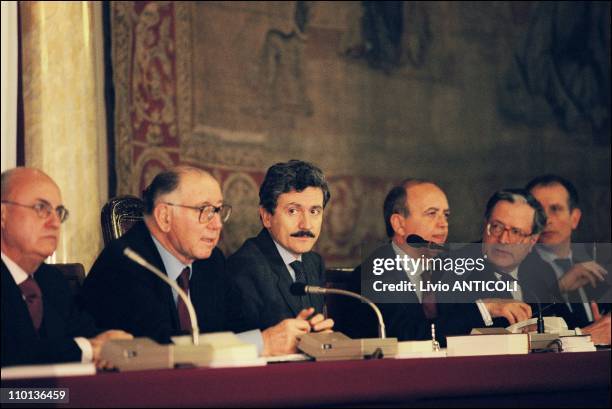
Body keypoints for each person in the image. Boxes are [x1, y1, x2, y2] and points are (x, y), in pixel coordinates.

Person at [80, 166, 314, 356]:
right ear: (164, 216)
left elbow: (240, 326)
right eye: (204, 211)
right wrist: (262, 343)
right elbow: (157, 347)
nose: (217, 224)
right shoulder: (127, 262)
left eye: (218, 211)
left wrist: (296, 331)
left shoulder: (209, 263)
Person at [344, 180, 531, 344]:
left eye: (446, 215)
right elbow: (408, 338)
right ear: (399, 224)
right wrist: (484, 308)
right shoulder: (372, 275)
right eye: (432, 214)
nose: (443, 224)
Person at [1, 167, 132, 367]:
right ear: (3, 214)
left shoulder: (51, 281)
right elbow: (12, 352)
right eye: (40, 208)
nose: (55, 222)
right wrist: (87, 349)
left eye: (59, 212)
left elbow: (90, 335)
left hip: (54, 397)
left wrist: (112, 342)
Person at [465, 188, 609, 344]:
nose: (504, 239)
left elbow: (556, 329)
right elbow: (447, 327)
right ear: (486, 224)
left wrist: (596, 330)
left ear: (532, 241)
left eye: (516, 232)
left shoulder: (540, 270)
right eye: (497, 227)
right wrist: (584, 336)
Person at [227, 160, 334, 332]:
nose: (306, 225)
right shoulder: (244, 268)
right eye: (293, 211)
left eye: (314, 211)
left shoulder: (314, 262)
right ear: (266, 217)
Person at [526, 175, 610, 335]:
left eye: (555, 209)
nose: (546, 220)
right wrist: (559, 288)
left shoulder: (598, 269)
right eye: (538, 211)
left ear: (575, 218)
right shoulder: (516, 268)